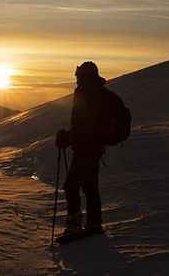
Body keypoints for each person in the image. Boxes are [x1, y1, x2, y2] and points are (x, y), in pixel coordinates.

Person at [56, 61, 111, 243]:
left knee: (71, 186)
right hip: (92, 148)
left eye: (79, 75)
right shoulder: (94, 92)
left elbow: (86, 126)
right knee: (89, 186)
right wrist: (71, 136)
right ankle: (94, 225)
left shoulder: (89, 94)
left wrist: (68, 137)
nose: (77, 78)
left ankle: (74, 228)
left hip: (87, 148)